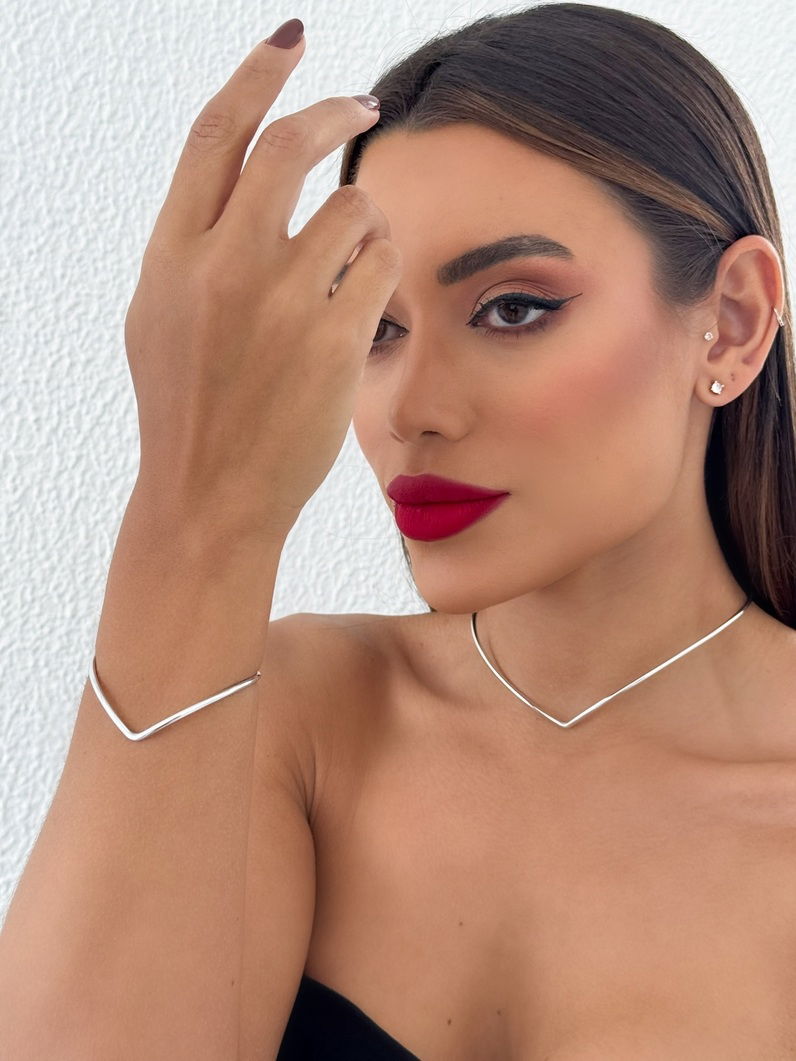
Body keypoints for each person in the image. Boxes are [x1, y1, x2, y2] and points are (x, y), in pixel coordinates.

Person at [1, 5, 794, 1059]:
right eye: (375, 327)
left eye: (513, 308)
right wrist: (197, 509)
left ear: (731, 322)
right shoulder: (289, 717)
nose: (411, 408)